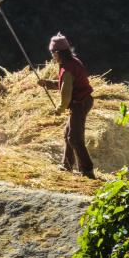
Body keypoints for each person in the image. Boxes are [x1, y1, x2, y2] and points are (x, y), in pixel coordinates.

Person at [38, 32, 96, 179]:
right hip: (82, 101)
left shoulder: (67, 69)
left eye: (52, 53)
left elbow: (66, 93)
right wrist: (47, 83)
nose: (52, 56)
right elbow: (65, 85)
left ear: (57, 53)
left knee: (75, 138)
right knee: (68, 135)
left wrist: (60, 108)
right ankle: (67, 165)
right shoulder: (72, 62)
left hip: (79, 104)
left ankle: (87, 170)